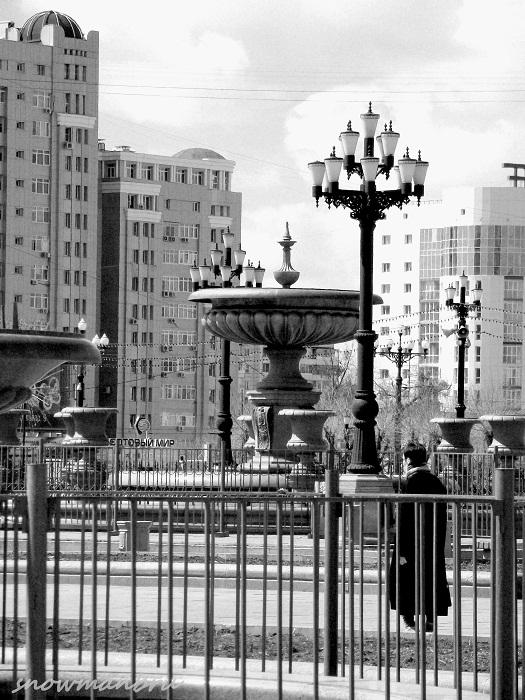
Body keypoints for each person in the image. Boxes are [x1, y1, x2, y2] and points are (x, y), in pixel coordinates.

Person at [389, 442, 451, 633]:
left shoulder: (411, 483)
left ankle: (409, 619)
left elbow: (406, 518)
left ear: (408, 460)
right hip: (432, 542)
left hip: (411, 542)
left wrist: (401, 549)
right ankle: (430, 619)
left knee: (406, 578)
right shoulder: (436, 482)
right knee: (431, 576)